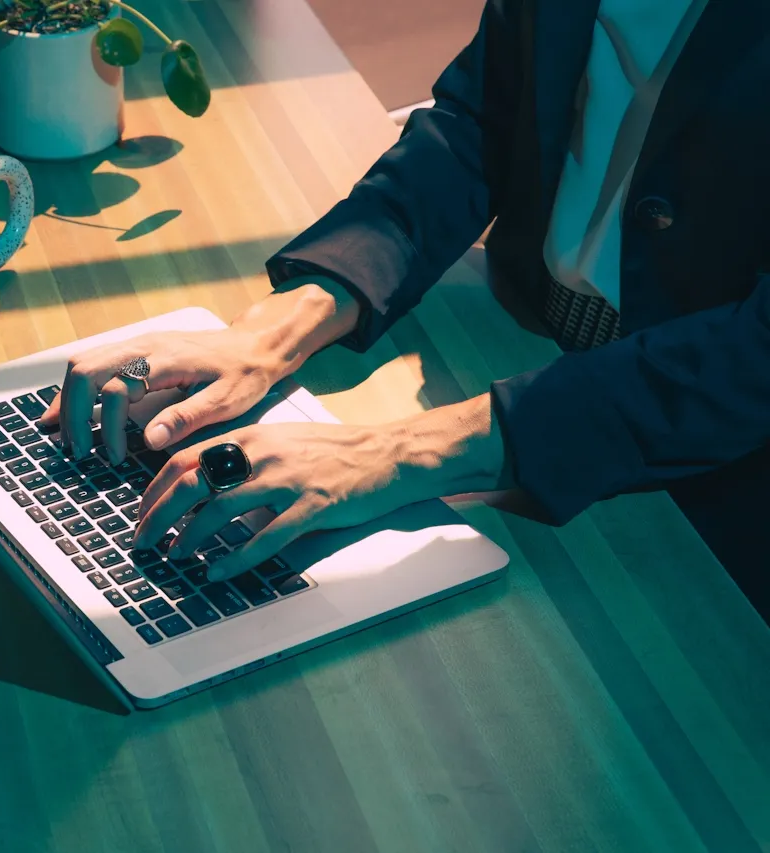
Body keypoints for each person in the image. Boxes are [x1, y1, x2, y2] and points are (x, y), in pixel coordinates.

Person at [39, 0, 770, 616]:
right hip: (527, 340)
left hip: (711, 494)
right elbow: (484, 118)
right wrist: (285, 322)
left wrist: (391, 450)